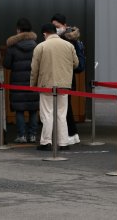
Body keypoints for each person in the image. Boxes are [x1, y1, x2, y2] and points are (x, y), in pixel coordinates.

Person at [31, 23, 78, 151]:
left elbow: (34, 69)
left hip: (46, 85)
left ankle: (46, 142)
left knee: (47, 114)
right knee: (62, 114)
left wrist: (33, 85)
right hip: (64, 85)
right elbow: (76, 63)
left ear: (45, 34)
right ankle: (63, 143)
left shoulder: (41, 47)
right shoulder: (68, 45)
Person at [3, 18, 40, 143]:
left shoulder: (12, 47)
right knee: (33, 109)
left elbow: (7, 64)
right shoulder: (37, 45)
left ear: (18, 30)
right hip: (33, 82)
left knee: (19, 110)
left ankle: (22, 136)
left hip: (17, 82)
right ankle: (33, 135)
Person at [51, 13, 86, 145]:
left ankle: (70, 134)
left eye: (57, 26)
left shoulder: (68, 40)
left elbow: (75, 63)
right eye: (53, 26)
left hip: (66, 78)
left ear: (65, 25)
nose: (55, 28)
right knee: (65, 108)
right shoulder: (70, 39)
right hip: (67, 77)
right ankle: (72, 133)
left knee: (64, 108)